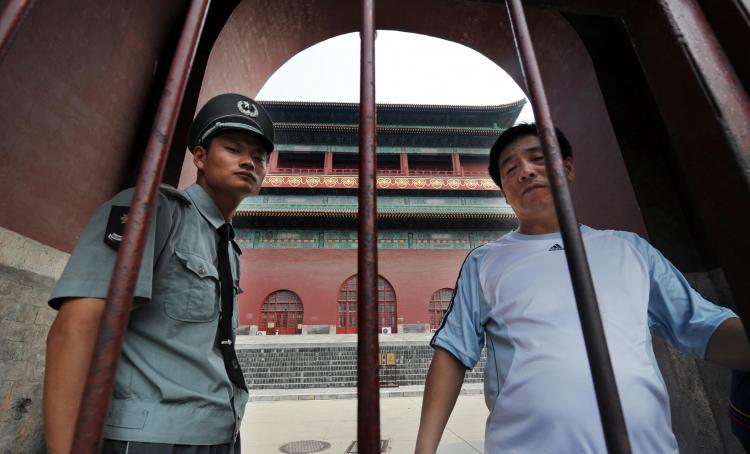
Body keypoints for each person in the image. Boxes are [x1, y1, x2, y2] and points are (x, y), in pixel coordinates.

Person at [414, 123, 750, 453]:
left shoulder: (629, 249)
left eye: (538, 158)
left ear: (568, 168)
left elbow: (703, 326)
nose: (526, 172)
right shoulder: (485, 262)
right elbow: (452, 353)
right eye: (511, 168)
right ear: (504, 192)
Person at [43, 93, 274, 454]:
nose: (248, 162)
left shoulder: (228, 246)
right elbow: (75, 327)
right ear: (199, 157)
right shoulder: (153, 211)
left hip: (220, 435)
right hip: (150, 439)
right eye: (233, 148)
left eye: (258, 157)